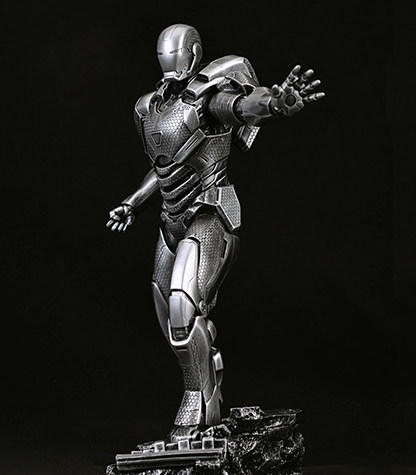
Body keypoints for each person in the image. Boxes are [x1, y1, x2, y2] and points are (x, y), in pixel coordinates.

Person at [107, 24, 324, 442]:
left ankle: (198, 399)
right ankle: (207, 382)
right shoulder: (148, 108)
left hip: (210, 212)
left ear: (192, 54)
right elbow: (164, 167)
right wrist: (132, 203)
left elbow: (241, 106)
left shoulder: (208, 97)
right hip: (171, 220)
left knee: (183, 307)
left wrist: (274, 103)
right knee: (169, 316)